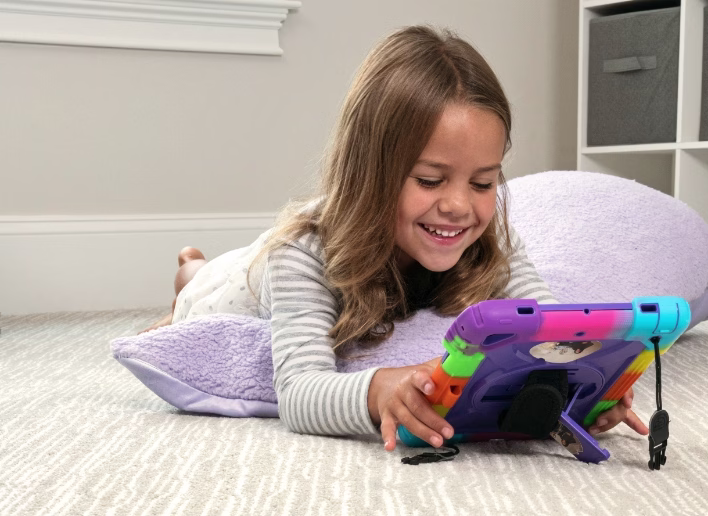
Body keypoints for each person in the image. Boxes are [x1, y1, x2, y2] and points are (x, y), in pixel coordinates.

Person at [141, 24, 648, 451]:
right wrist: (377, 388)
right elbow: (297, 393)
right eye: (429, 180)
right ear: (368, 172)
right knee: (196, 282)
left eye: (482, 183)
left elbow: (549, 324)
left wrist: (588, 386)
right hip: (239, 282)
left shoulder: (490, 238)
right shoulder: (302, 254)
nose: (459, 205)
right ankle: (189, 265)